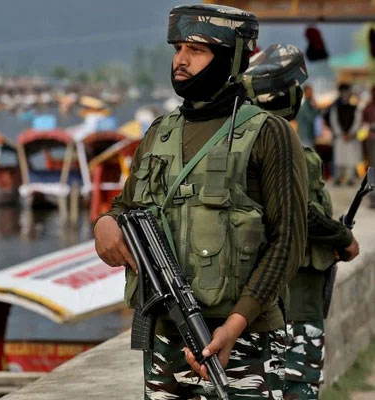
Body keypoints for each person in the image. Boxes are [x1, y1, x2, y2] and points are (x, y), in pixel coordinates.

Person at [93, 4, 308, 399]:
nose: (181, 60)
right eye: (177, 48)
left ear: (232, 57)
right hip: (165, 338)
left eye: (197, 50)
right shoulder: (158, 133)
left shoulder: (269, 133)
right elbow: (124, 208)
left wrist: (235, 324)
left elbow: (287, 242)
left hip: (245, 341)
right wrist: (104, 225)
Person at [244, 43, 360, 400]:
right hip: (297, 292)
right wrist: (343, 239)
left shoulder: (244, 142)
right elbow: (302, 214)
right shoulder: (289, 147)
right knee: (299, 384)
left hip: (259, 290)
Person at [329, 83, 363, 186]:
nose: (345, 94)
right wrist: (341, 133)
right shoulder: (335, 108)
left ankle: (350, 178)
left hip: (351, 138)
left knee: (351, 159)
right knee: (339, 159)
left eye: (346, 91)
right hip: (340, 138)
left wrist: (351, 133)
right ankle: (338, 177)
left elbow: (357, 121)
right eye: (343, 91)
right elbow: (333, 121)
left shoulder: (355, 108)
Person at [362, 87, 375, 207]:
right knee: (372, 169)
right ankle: (372, 197)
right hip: (372, 140)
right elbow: (364, 123)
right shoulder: (368, 107)